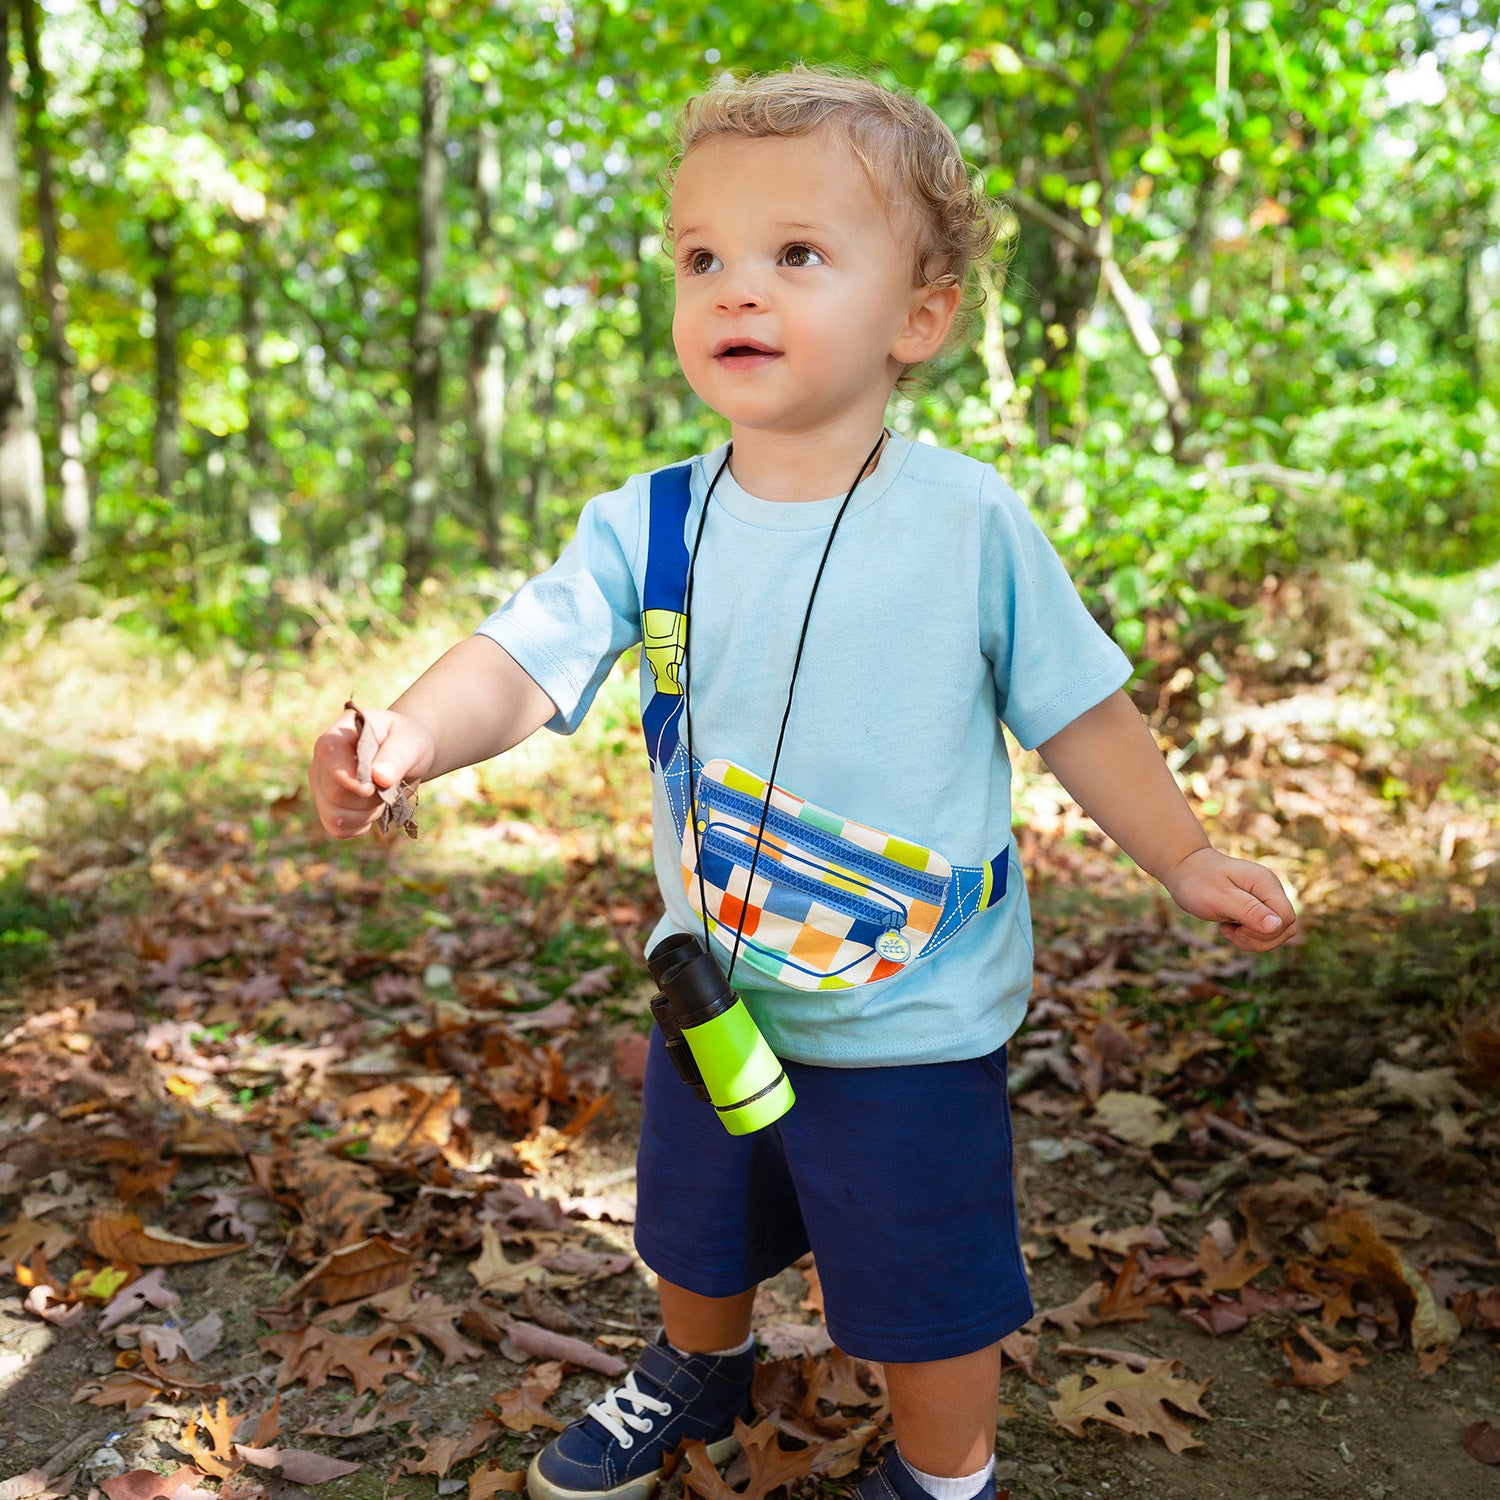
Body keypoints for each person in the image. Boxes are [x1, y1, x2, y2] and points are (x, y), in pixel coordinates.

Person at [309, 65, 1297, 1500]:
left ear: (920, 315)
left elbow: (1079, 711)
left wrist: (1186, 857)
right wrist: (404, 735)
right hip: (716, 987)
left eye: (797, 255)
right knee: (695, 1231)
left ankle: (944, 1474)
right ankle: (697, 1367)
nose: (737, 291)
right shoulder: (647, 520)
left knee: (922, 1277)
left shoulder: (965, 522)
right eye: (702, 257)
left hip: (912, 1009)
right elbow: (523, 659)